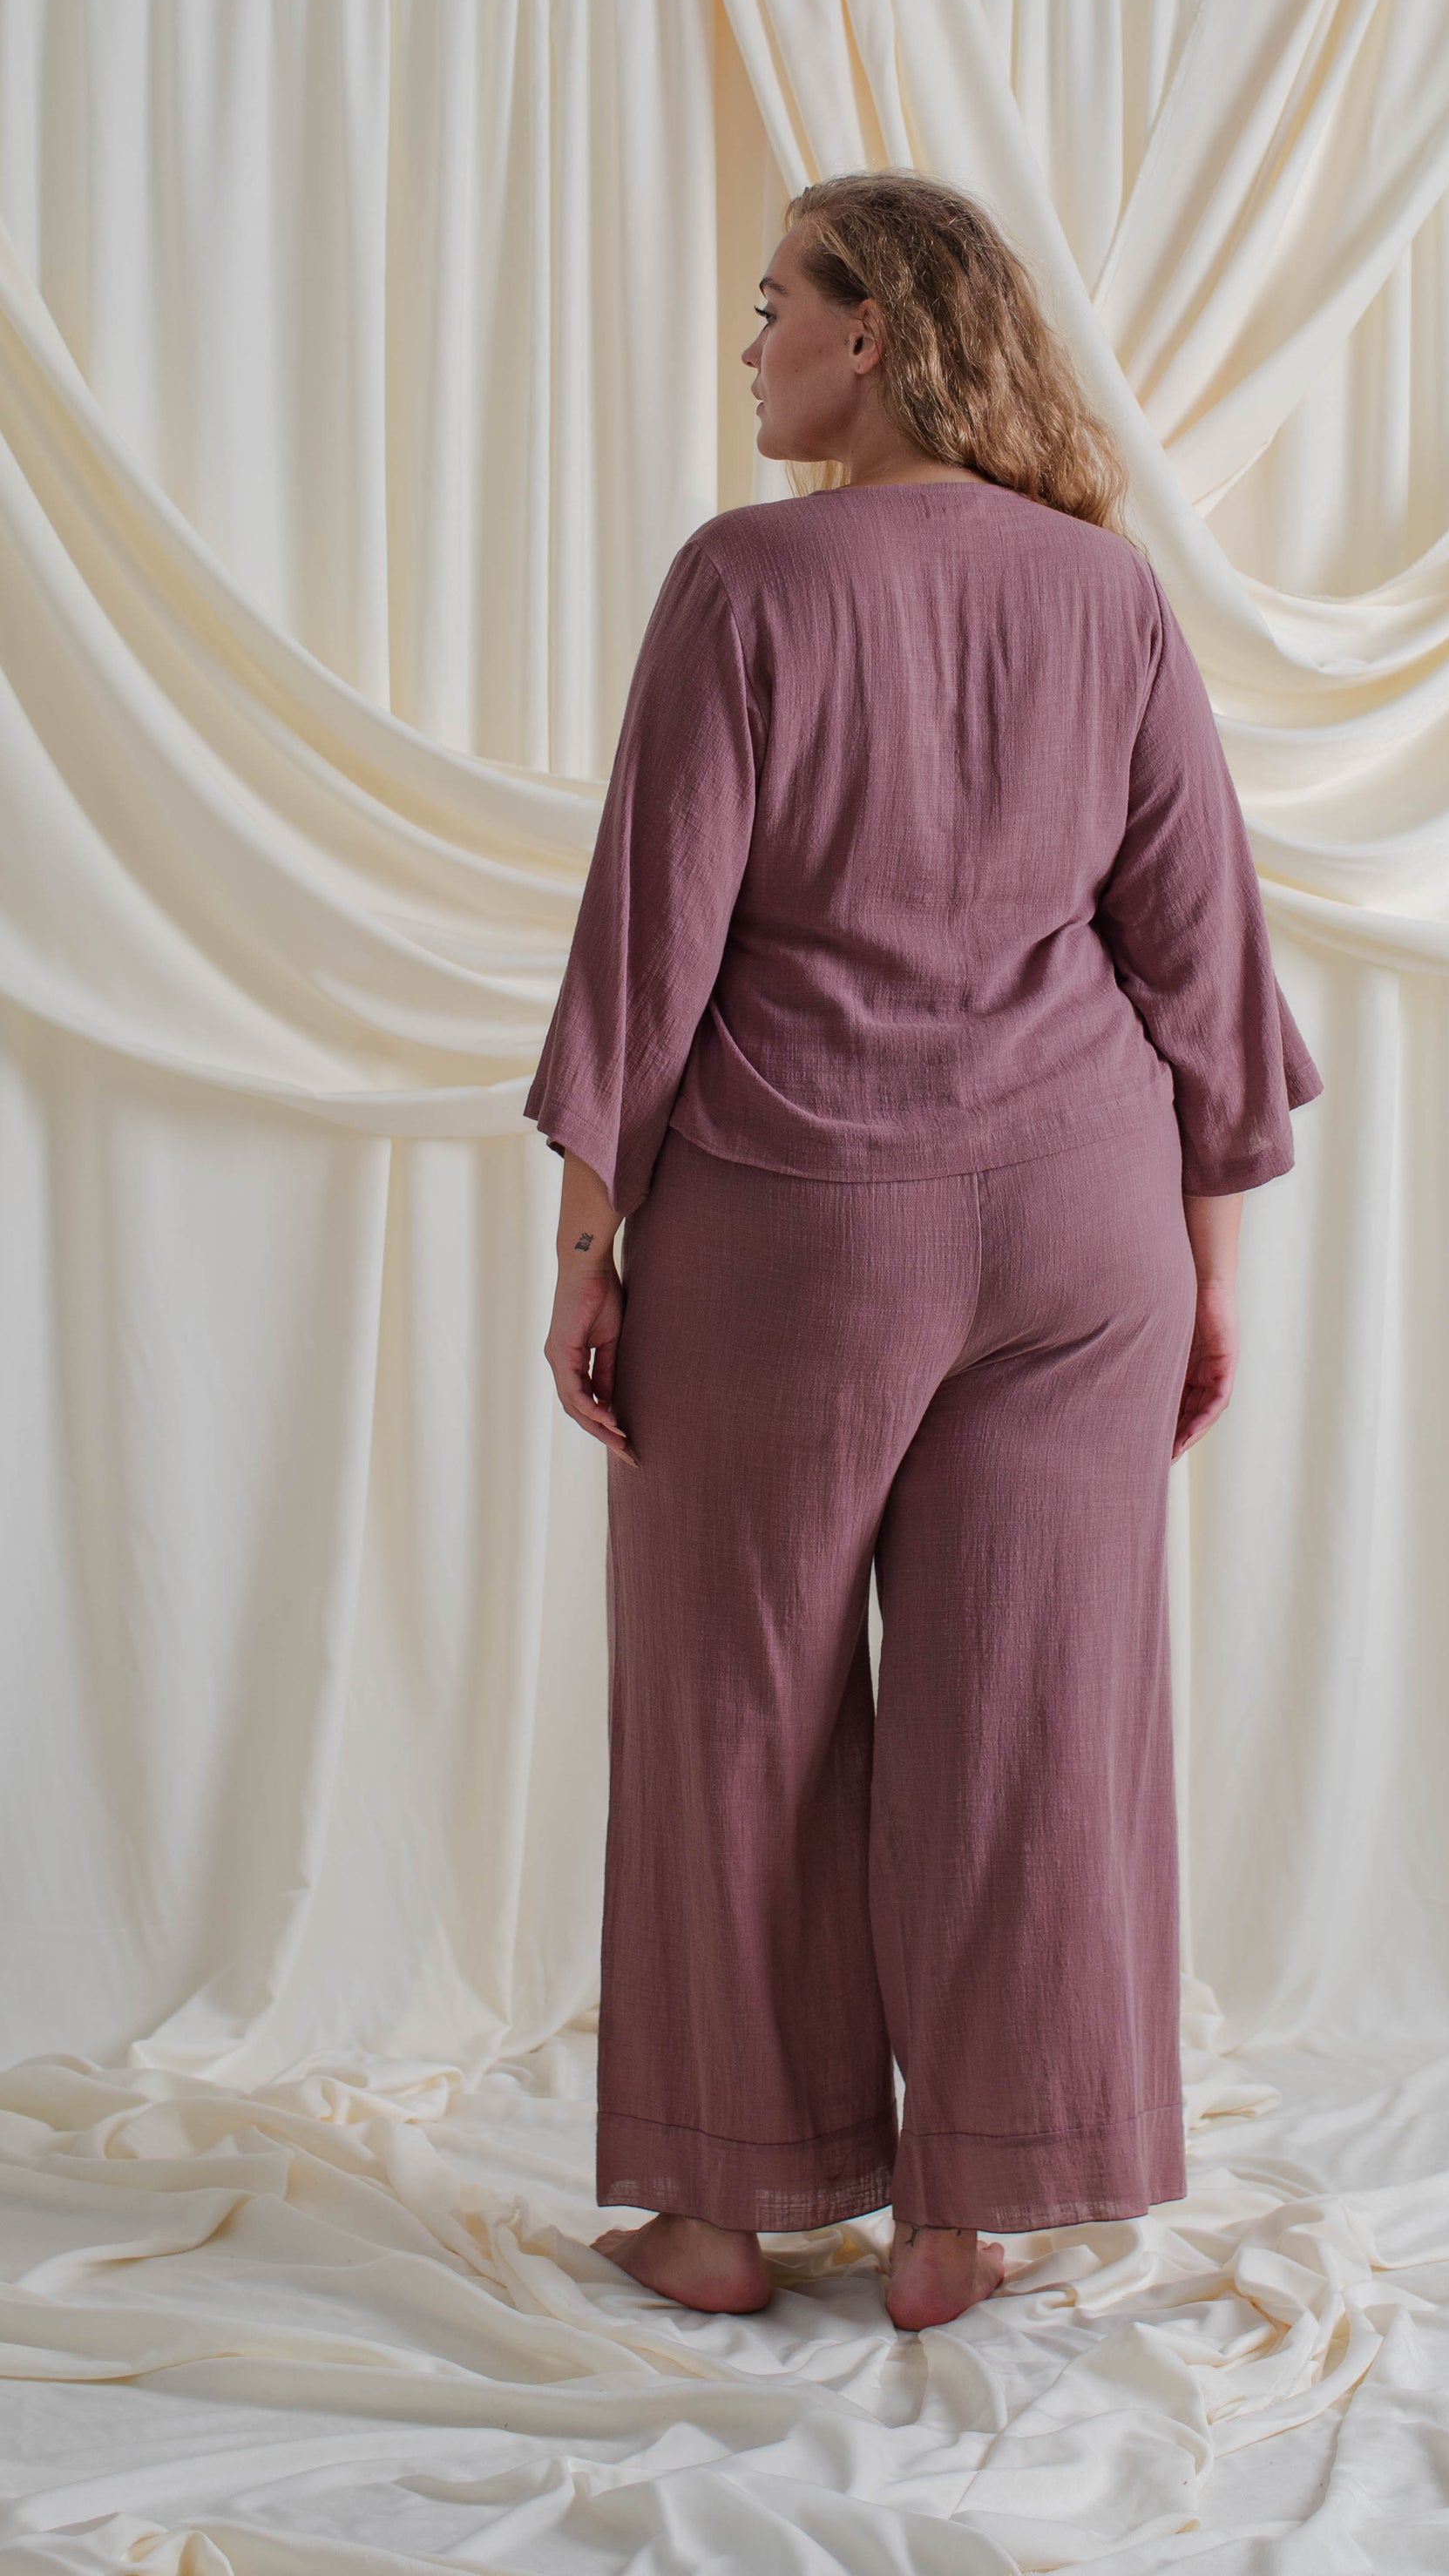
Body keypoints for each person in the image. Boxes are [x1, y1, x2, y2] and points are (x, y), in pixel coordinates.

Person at [524, 169, 1321, 2335]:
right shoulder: (1105, 589)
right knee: (1035, 1710)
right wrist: (1206, 1265)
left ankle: (721, 2212)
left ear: (870, 332)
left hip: (796, 1216)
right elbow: (1201, 953)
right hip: (1084, 1217)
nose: (750, 344)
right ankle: (970, 2208)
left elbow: (651, 943)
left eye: (772, 302)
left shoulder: (746, 579)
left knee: (741, 1696)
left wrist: (588, 1240)